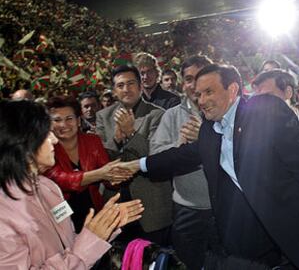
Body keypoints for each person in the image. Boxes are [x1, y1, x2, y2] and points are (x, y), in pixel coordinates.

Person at [119, 64, 299, 270]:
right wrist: (136, 165)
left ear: (233, 89)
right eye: (198, 94)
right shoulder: (209, 129)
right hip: (254, 240)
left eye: (208, 92)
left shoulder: (264, 110)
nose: (201, 100)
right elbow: (182, 156)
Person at [0, 99, 143, 269]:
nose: (54, 139)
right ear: (22, 143)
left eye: (69, 119)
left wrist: (104, 227)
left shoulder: (47, 187)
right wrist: (89, 242)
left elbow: (67, 242)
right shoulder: (4, 214)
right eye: (46, 133)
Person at [150, 55, 215, 269]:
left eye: (201, 77)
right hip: (187, 210)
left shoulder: (226, 112)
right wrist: (181, 145)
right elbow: (156, 157)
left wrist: (204, 139)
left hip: (225, 207)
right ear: (183, 83)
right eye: (189, 79)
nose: (194, 85)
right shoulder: (171, 116)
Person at [96, 65, 172, 246]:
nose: (126, 89)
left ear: (139, 86)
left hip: (150, 202)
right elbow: (99, 160)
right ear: (114, 90)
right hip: (114, 201)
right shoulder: (104, 116)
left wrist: (131, 134)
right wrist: (115, 140)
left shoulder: (157, 115)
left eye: (130, 83)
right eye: (120, 85)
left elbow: (158, 158)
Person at [44, 95, 133, 232]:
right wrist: (100, 174)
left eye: (69, 119)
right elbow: (60, 179)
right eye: (57, 120)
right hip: (59, 218)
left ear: (78, 121)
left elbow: (108, 178)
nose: (63, 125)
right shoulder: (45, 148)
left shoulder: (92, 141)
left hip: (93, 213)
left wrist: (119, 176)